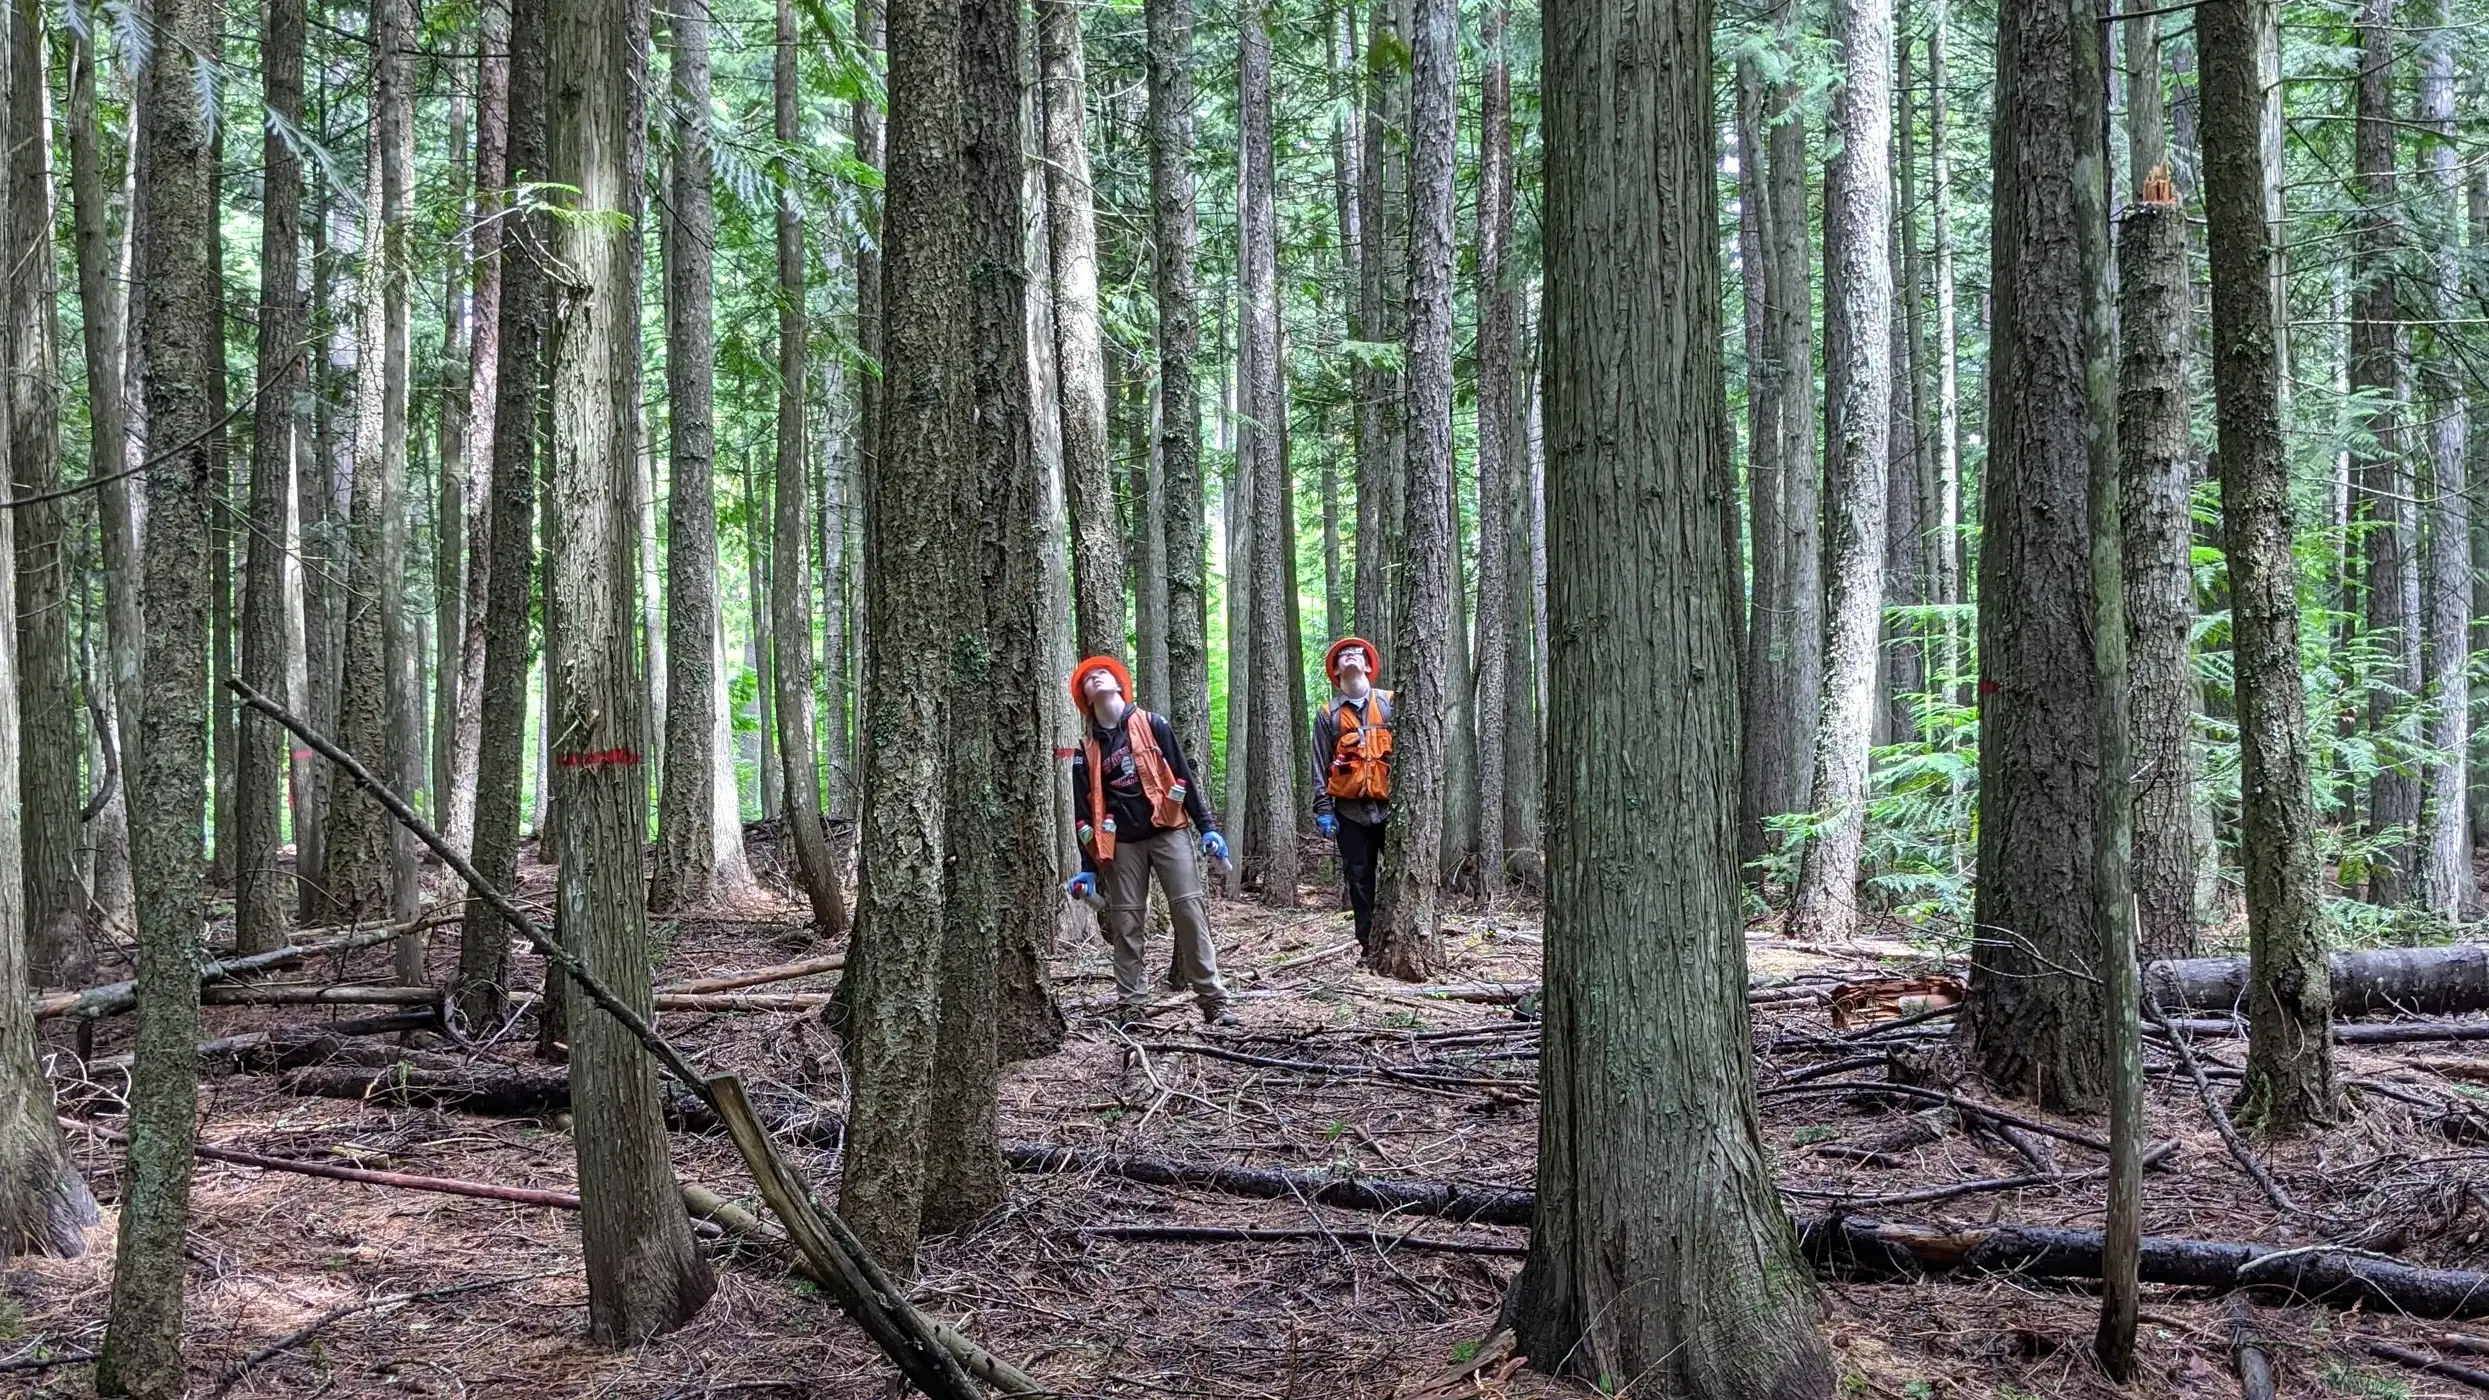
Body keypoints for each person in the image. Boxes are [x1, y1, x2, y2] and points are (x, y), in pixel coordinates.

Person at [1065, 655, 1234, 1024]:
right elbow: (1083, 813)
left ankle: (1212, 999)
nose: (1096, 678)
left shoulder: (1153, 724)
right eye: (1088, 679)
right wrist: (1087, 867)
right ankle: (1132, 1005)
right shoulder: (1085, 750)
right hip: (1121, 845)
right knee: (1127, 922)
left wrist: (1206, 826)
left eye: (1102, 673)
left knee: (1189, 911)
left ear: (1119, 683)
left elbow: (1182, 774)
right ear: (1085, 697)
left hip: (1168, 830)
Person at [1313, 637, 1393, 952]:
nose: (1350, 656)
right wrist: (1323, 809)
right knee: (1359, 880)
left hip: (1391, 809)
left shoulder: (1389, 703)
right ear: (1336, 670)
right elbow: (1319, 764)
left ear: (1368, 665)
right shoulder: (1328, 715)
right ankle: (1368, 945)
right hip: (1349, 812)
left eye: (1356, 653)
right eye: (1343, 654)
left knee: (1402, 873)